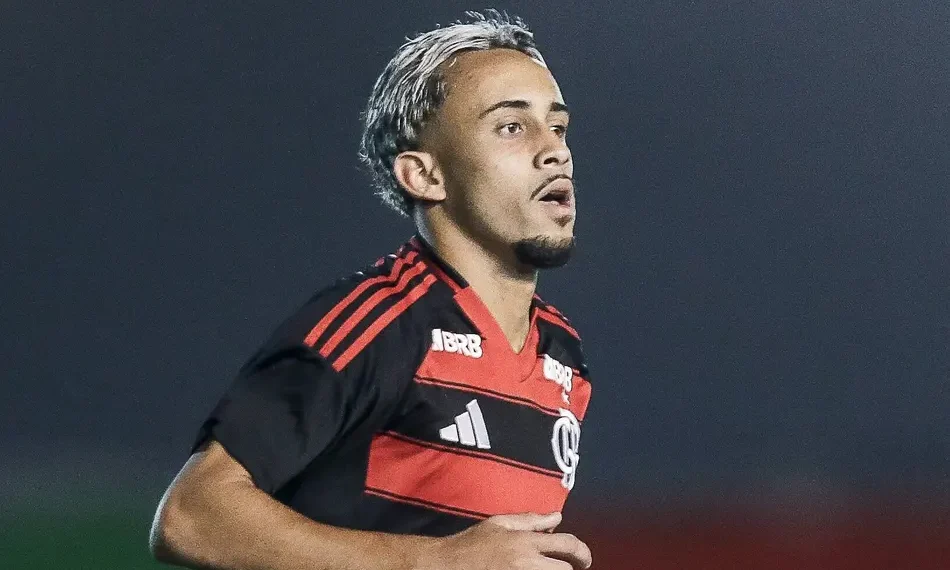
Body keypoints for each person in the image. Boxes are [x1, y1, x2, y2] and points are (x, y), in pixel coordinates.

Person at [150, 10, 593, 570]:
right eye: (511, 126)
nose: (555, 149)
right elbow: (191, 516)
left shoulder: (562, 352)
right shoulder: (378, 322)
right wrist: (434, 562)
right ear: (424, 175)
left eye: (558, 126)